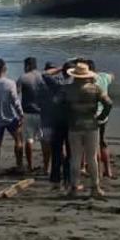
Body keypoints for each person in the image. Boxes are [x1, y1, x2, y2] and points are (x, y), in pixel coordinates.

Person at [64, 61, 113, 198]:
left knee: (75, 157)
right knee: (92, 158)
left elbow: (58, 103)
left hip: (74, 125)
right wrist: (100, 117)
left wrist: (68, 115)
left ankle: (74, 187)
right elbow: (109, 103)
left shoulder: (67, 89)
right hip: (91, 125)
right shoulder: (95, 89)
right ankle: (95, 188)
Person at [44, 61, 73, 190]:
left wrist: (59, 68)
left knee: (57, 151)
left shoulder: (58, 85)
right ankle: (68, 180)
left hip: (57, 122)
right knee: (71, 152)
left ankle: (55, 180)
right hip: (72, 123)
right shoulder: (76, 87)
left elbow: (44, 74)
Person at [17, 57, 48, 173]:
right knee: (44, 140)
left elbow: (16, 93)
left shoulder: (23, 77)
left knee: (29, 140)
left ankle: (30, 166)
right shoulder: (42, 76)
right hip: (42, 112)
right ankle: (46, 167)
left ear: (28, 65)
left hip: (28, 112)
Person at [87, 59, 115, 179]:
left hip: (93, 116)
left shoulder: (88, 82)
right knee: (102, 142)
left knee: (94, 145)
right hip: (104, 115)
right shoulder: (103, 77)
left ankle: (97, 171)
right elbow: (113, 75)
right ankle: (108, 170)